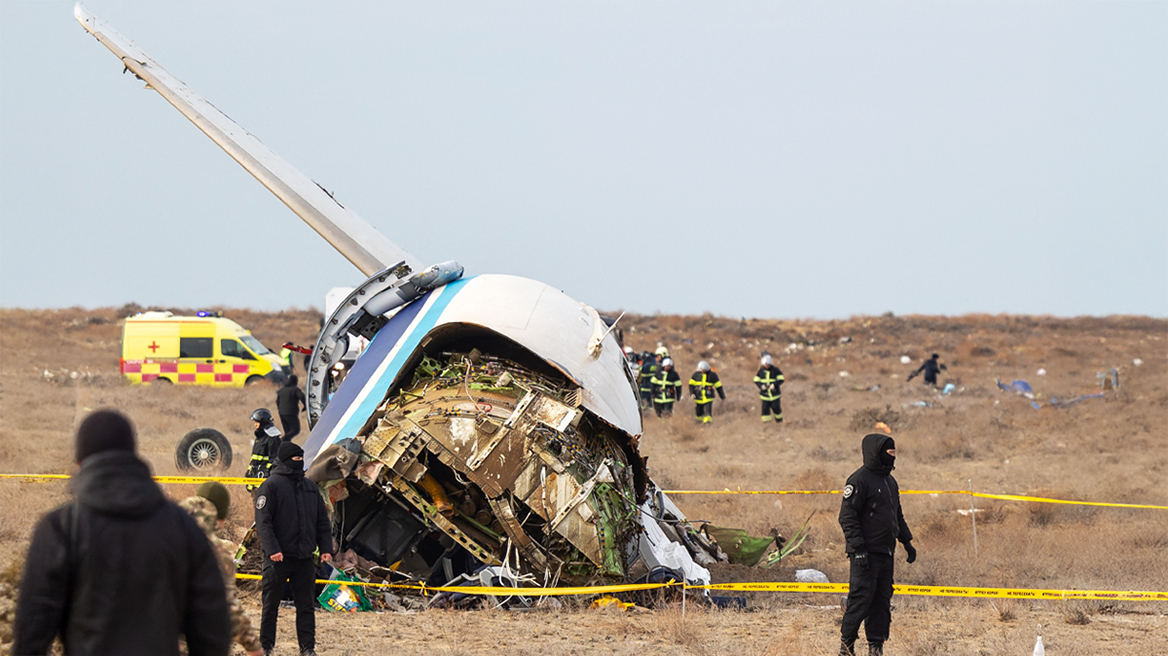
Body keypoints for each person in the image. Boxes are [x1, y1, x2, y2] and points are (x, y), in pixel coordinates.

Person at [13, 409, 230, 656]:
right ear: (133, 454)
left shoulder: (60, 527)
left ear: (80, 462)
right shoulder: (183, 526)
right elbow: (213, 627)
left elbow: (32, 630)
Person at [837, 433, 917, 656]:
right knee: (860, 599)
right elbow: (847, 517)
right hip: (865, 554)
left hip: (886, 552)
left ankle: (876, 646)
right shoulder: (858, 480)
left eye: (894, 454)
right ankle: (846, 646)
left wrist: (906, 542)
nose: (893, 458)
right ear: (877, 453)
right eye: (889, 454)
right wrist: (859, 549)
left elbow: (897, 516)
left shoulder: (890, 482)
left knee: (881, 601)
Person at [255, 442, 334, 656]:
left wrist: (326, 548)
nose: (299, 462)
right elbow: (263, 522)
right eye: (295, 459)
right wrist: (273, 549)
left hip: (304, 559)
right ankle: (266, 647)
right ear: (284, 460)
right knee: (270, 607)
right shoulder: (271, 486)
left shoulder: (310, 487)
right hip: (277, 559)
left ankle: (307, 649)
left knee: (306, 607)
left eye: (301, 459)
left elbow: (322, 522)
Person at [180, 482, 264, 656]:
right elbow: (228, 606)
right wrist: (252, 646)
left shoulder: (156, 541)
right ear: (217, 517)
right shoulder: (216, 552)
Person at [246, 408, 282, 492]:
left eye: (257, 422)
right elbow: (254, 459)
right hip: (255, 479)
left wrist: (267, 475)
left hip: (264, 482)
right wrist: (249, 472)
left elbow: (274, 461)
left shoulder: (272, 439)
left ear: (263, 422)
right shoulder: (259, 438)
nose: (255, 424)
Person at [754, 354, 785, 423]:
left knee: (776, 407)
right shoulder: (761, 371)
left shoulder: (776, 370)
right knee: (765, 410)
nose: (766, 366)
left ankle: (779, 421)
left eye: (768, 364)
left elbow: (781, 379)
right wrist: (761, 386)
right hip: (765, 396)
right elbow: (756, 380)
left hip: (775, 395)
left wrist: (774, 385)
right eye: (765, 364)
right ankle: (767, 425)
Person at [275, 375, 307, 441]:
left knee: (287, 432)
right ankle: (282, 440)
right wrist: (305, 405)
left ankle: (286, 446)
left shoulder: (282, 390)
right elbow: (302, 396)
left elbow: (277, 401)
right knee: (295, 430)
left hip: (282, 413)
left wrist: (280, 409)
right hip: (291, 413)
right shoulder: (295, 389)